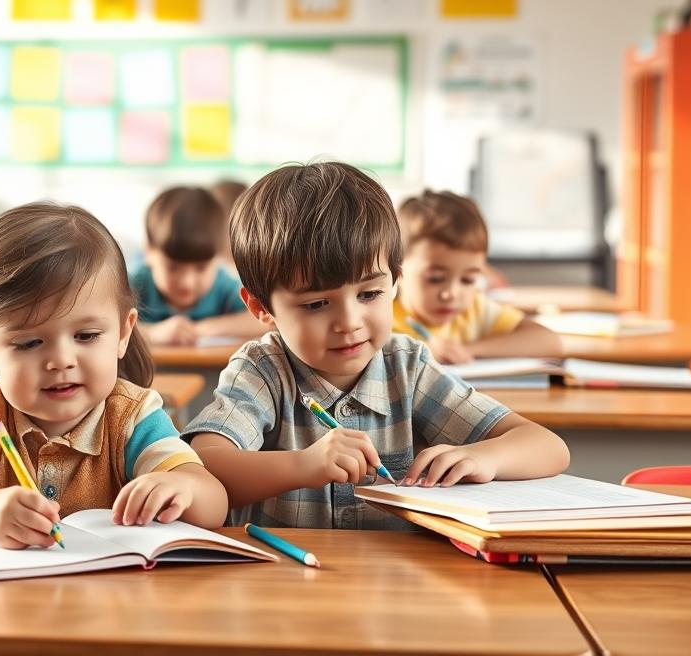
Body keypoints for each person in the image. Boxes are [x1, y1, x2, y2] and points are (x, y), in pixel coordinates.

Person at [183, 162, 569, 530]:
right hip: (285, 584)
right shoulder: (263, 370)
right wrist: (303, 465)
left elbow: (548, 447)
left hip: (395, 585)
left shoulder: (408, 367)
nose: (350, 322)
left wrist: (484, 455)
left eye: (369, 294)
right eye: (316, 304)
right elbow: (203, 463)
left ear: (396, 283)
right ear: (261, 307)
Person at [0, 202, 227, 547]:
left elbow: (214, 502)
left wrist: (182, 488)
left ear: (123, 334)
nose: (61, 360)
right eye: (29, 342)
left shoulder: (133, 418)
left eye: (86, 336)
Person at [393, 190, 562, 364]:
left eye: (468, 280)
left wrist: (468, 350)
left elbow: (550, 342)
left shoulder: (475, 310)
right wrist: (421, 353)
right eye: (435, 278)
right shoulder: (383, 318)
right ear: (398, 271)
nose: (451, 294)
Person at [131, 186, 266, 346]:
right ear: (149, 252)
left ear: (219, 256)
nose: (187, 282)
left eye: (201, 268)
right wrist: (152, 333)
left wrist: (205, 328)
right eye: (172, 267)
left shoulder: (223, 287)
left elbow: (265, 319)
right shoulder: (133, 285)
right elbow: (103, 324)